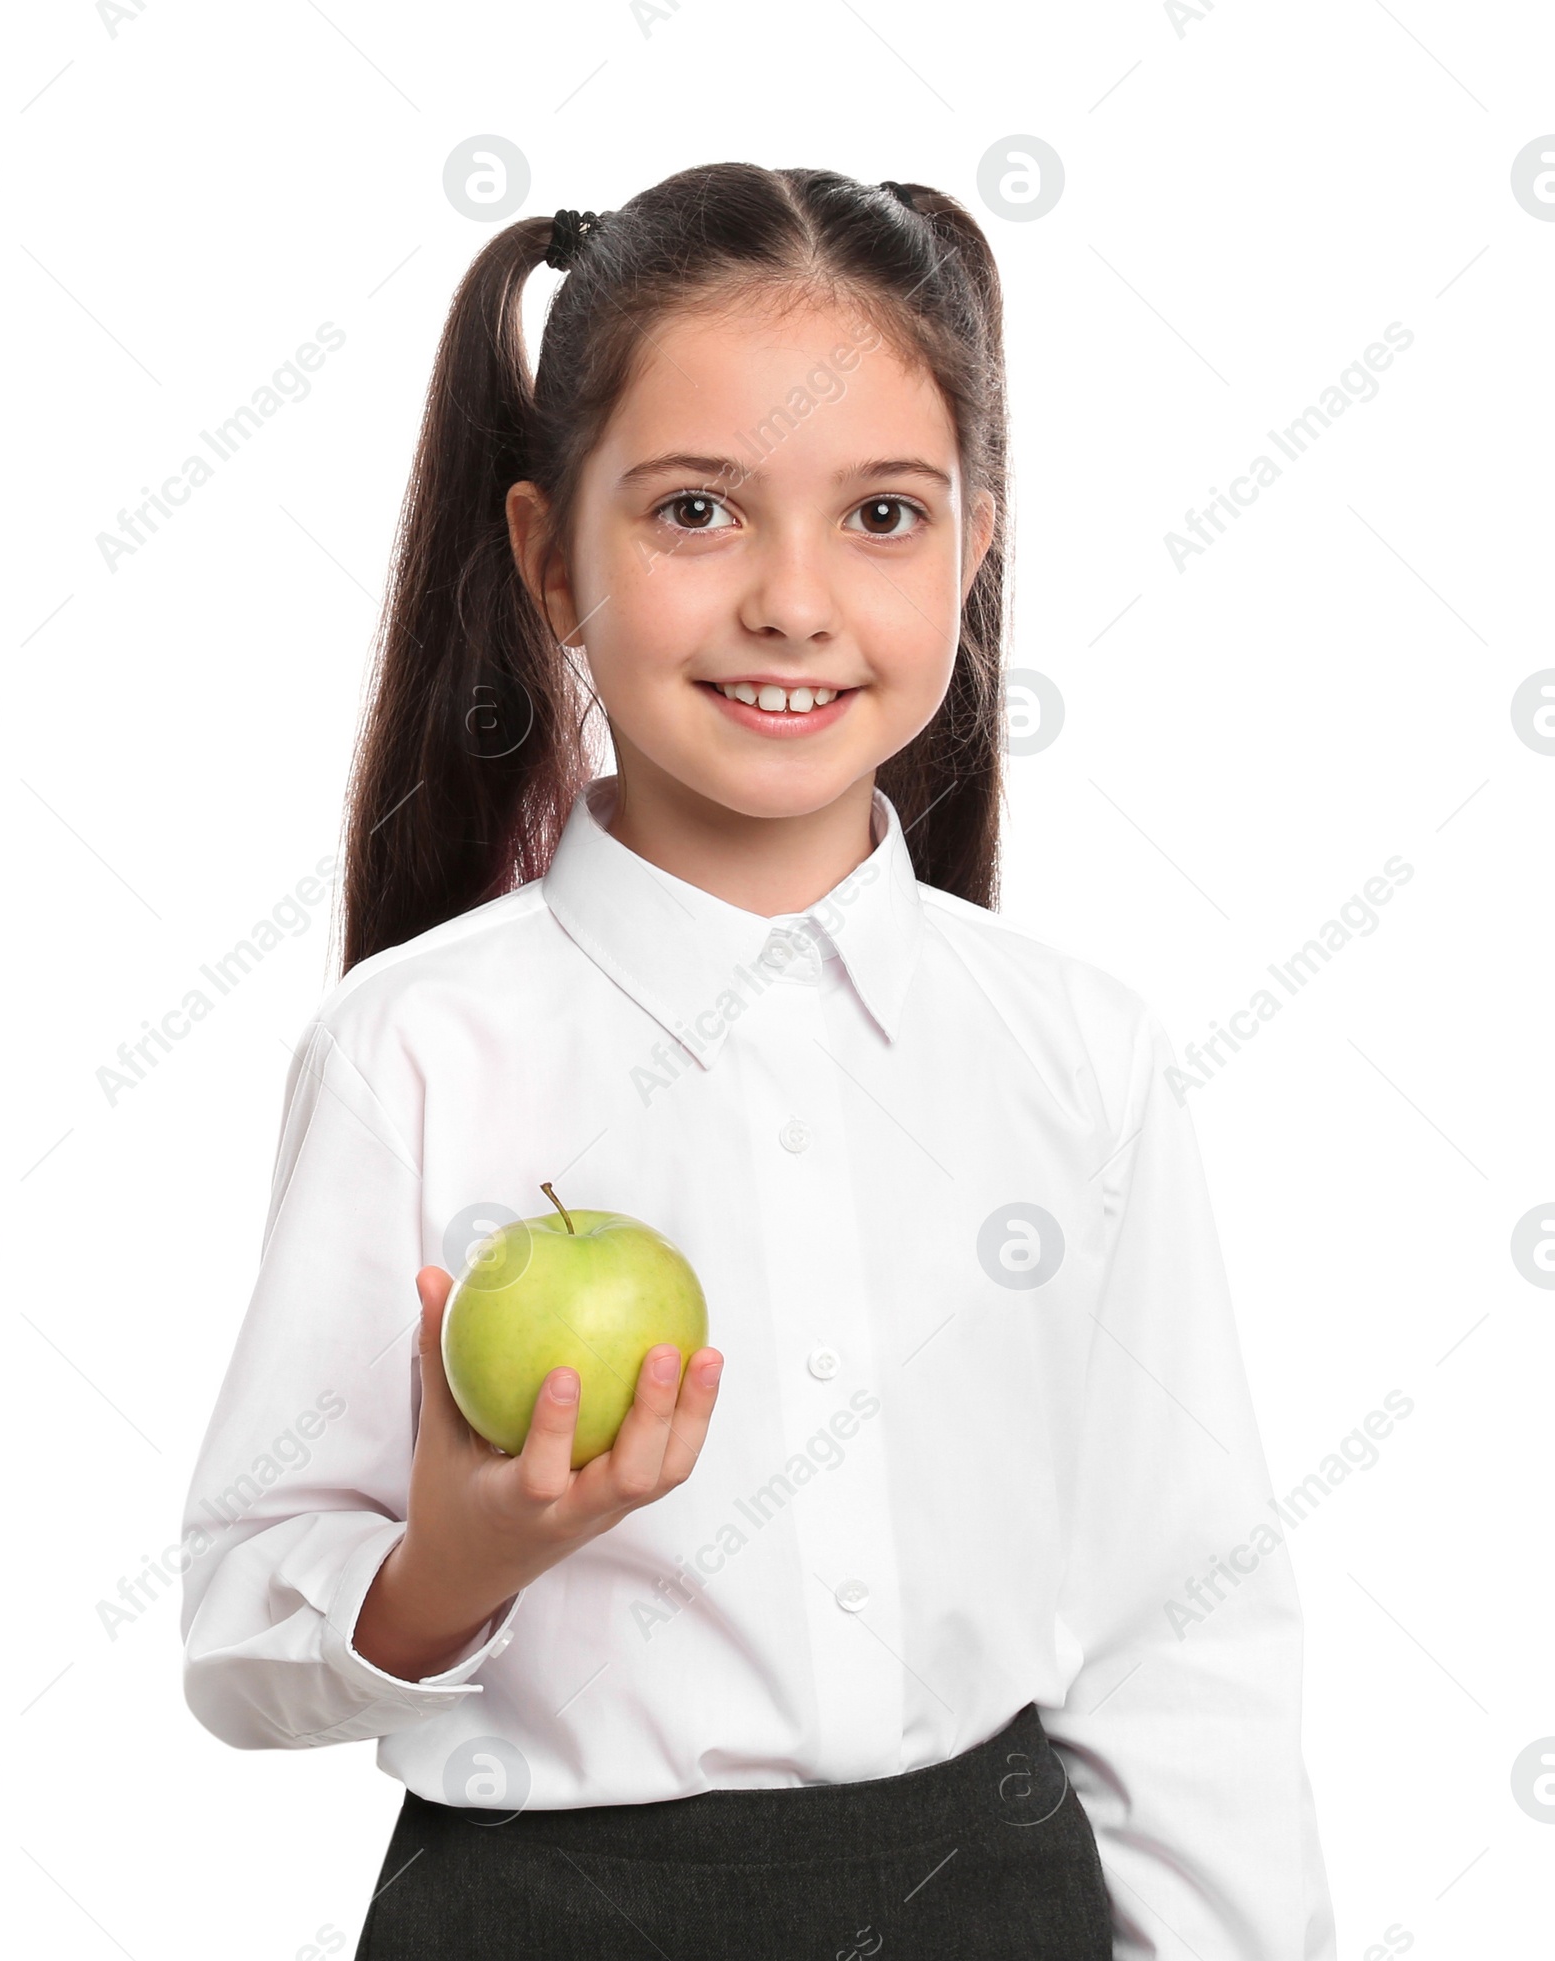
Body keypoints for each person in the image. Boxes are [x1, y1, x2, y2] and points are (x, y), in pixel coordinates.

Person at [179, 163, 1336, 1959]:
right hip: (546, 1916)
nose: (796, 601)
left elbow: (1179, 1623)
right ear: (553, 559)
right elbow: (243, 1645)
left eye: (883, 513)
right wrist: (450, 1572)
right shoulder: (417, 1047)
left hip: (995, 1903)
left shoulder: (1076, 1054)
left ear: (978, 544)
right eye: (699, 509)